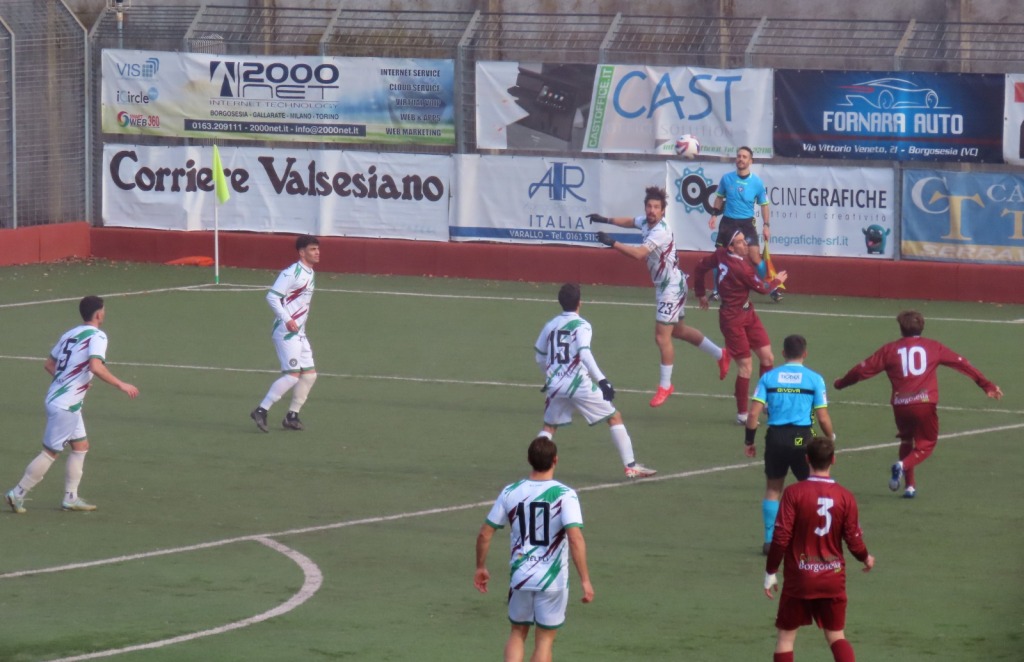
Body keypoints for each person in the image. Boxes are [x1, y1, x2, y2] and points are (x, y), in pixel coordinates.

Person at [833, 310, 1003, 498]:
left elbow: (862, 369)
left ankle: (909, 487)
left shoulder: (889, 350)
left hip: (900, 405)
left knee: (907, 440)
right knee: (927, 443)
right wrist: (986, 385)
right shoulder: (933, 347)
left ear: (901, 328)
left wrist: (841, 383)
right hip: (924, 403)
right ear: (922, 327)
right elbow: (962, 363)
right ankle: (902, 465)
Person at [587, 185, 730, 408]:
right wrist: (606, 219)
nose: (652, 210)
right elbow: (630, 221)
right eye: (649, 206)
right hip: (670, 284)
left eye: (656, 207)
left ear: (663, 211)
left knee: (662, 337)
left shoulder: (660, 231)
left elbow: (638, 254)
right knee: (679, 331)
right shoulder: (645, 222)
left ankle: (665, 386)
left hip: (670, 287)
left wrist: (612, 242)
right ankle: (720, 354)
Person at [5, 296, 140, 514]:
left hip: (63, 401)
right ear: (99, 314)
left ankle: (70, 498)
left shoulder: (70, 333)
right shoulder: (98, 336)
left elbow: (50, 364)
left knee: (81, 446)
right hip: (66, 405)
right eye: (103, 310)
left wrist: (72, 381)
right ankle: (18, 492)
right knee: (50, 453)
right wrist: (121, 384)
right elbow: (96, 366)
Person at [474, 436, 594, 662]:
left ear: (529, 459)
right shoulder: (565, 494)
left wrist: (480, 566)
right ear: (555, 460)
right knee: (545, 641)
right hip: (552, 579)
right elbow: (575, 538)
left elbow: (485, 533)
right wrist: (585, 580)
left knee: (517, 633)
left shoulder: (511, 492)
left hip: (521, 576)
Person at [763, 435, 874, 662]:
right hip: (832, 577)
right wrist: (865, 557)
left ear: (807, 459)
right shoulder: (845, 496)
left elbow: (781, 537)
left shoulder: (794, 493)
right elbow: (853, 540)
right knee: (836, 635)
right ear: (833, 459)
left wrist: (771, 570)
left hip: (800, 578)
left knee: (786, 637)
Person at [534, 283, 656, 479]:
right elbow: (584, 353)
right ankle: (631, 466)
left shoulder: (550, 325)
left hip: (555, 386)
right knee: (614, 417)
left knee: (549, 428)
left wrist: (548, 376)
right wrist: (602, 380)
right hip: (578, 384)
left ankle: (538, 469)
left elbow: (540, 356)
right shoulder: (582, 325)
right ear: (579, 303)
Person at [745, 335, 834, 555]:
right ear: (805, 353)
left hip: (776, 438)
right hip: (802, 439)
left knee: (773, 489)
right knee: (810, 488)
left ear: (783, 353)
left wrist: (749, 441)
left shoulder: (769, 377)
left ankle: (770, 540)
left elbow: (753, 414)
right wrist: (831, 438)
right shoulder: (815, 379)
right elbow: (822, 417)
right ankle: (809, 539)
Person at [693, 230, 788, 424]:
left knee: (767, 357)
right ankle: (742, 414)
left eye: (745, 241)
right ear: (731, 247)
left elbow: (700, 267)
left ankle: (765, 402)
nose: (745, 244)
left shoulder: (721, 254)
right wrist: (777, 280)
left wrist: (700, 293)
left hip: (747, 313)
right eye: (740, 242)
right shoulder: (742, 269)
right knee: (746, 367)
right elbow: (763, 289)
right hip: (732, 319)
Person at [250, 235, 320, 432]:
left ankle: (292, 416)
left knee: (310, 376)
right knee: (292, 376)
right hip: (286, 332)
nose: (317, 252)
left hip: (300, 333)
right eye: (313, 249)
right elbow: (272, 297)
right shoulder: (291, 273)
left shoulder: (310, 272)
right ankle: (261, 410)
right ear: (302, 252)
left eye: (317, 249)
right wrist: (287, 319)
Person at [707, 146, 782, 302]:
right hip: (728, 223)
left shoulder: (757, 182)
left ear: (750, 161)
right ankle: (716, 291)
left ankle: (771, 288)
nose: (741, 159)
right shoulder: (726, 178)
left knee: (755, 257)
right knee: (719, 256)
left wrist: (766, 225)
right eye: (739, 156)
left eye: (744, 157)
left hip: (746, 224)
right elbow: (719, 198)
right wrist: (714, 215)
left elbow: (764, 205)